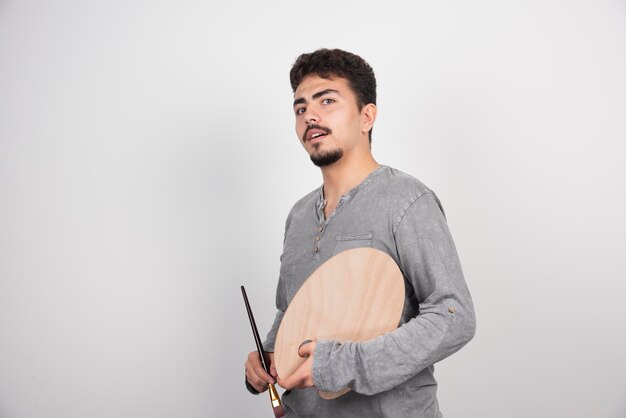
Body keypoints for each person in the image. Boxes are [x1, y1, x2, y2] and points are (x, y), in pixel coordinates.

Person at [244, 48, 476, 417]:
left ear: (367, 116)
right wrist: (268, 354)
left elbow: (454, 316)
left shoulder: (406, 200)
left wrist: (338, 364)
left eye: (328, 101)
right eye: (300, 108)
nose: (310, 116)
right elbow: (289, 309)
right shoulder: (299, 216)